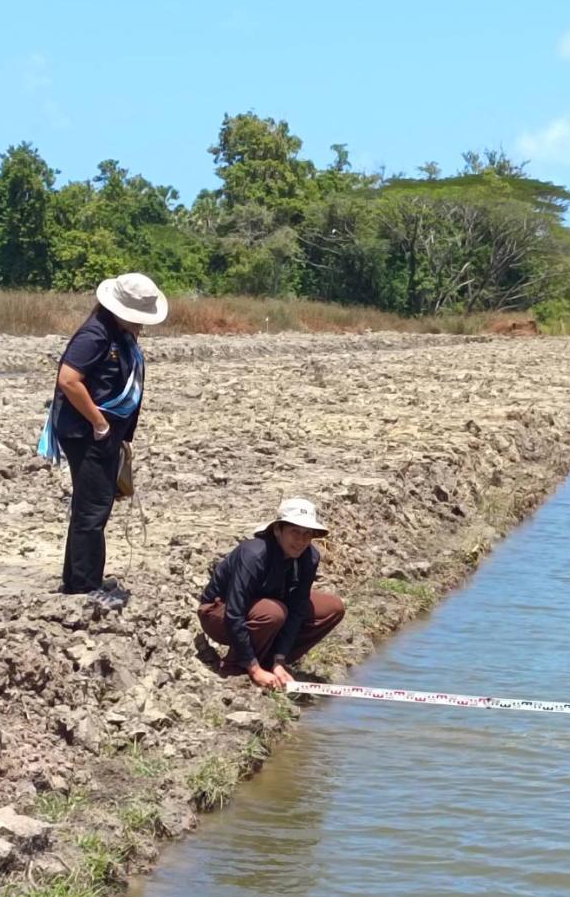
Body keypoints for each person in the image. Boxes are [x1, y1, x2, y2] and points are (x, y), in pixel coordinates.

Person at [38, 272, 168, 596]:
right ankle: (84, 586)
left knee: (94, 504)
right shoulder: (95, 335)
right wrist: (100, 423)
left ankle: (81, 577)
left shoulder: (120, 335)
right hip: (88, 433)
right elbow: (69, 380)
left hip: (103, 433)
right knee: (92, 508)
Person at [198, 498, 346, 690]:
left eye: (306, 534)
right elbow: (234, 613)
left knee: (333, 607)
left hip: (267, 609)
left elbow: (298, 607)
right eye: (294, 532)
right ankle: (237, 666)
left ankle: (270, 662)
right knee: (273, 612)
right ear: (277, 530)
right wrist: (254, 668)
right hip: (219, 613)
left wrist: (280, 658)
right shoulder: (254, 555)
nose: (301, 541)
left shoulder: (309, 557)